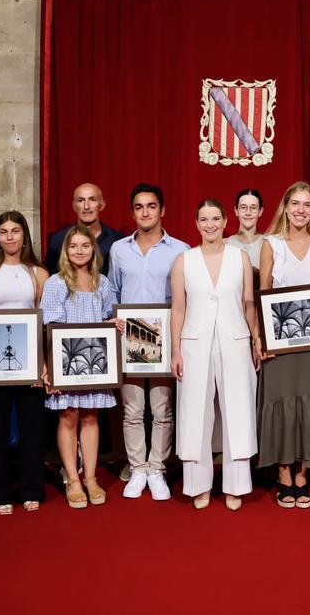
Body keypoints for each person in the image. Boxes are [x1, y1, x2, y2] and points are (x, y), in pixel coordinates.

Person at [170, 199, 261, 510]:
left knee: (238, 409)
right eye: (203, 219)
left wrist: (256, 339)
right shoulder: (184, 261)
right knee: (195, 411)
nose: (209, 225)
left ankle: (237, 485)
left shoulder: (240, 258)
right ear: (196, 224)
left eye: (215, 219)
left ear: (225, 222)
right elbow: (178, 308)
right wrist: (176, 350)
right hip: (194, 344)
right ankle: (198, 484)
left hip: (235, 341)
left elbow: (248, 302)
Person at [257, 181, 310, 509]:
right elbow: (263, 291)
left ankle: (303, 473)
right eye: (295, 203)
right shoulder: (271, 243)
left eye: (307, 204)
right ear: (286, 207)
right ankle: (283, 470)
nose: (301, 210)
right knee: (280, 402)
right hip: (279, 342)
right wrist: (261, 338)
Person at [109, 183, 189, 501]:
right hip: (128, 335)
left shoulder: (180, 250)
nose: (145, 212)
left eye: (151, 206)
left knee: (161, 408)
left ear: (162, 210)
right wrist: (112, 319)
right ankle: (137, 468)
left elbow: (184, 297)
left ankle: (156, 468)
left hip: (164, 335)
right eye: (139, 207)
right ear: (132, 212)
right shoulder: (118, 250)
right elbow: (113, 291)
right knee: (132, 409)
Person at [0, 211, 50, 515]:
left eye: (15, 231)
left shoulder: (38, 273)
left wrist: (44, 363)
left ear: (24, 235)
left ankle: (31, 488)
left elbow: (43, 322)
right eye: (4, 232)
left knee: (32, 428)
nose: (9, 237)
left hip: (30, 360)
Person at [40, 225, 121, 508]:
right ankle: (72, 479)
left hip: (95, 361)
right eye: (73, 246)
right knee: (69, 416)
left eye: (85, 246)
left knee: (90, 417)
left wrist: (114, 324)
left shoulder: (103, 283)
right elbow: (50, 327)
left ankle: (90, 477)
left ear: (93, 250)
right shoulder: (57, 282)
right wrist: (49, 366)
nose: (79, 251)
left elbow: (108, 317)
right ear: (66, 250)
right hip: (66, 361)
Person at [44, 182, 126, 276]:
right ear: (74, 206)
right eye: (81, 200)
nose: (86, 206)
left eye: (92, 200)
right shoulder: (59, 240)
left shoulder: (117, 240)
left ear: (102, 205)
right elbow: (50, 275)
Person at [226, 188, 265, 267]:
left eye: (253, 208)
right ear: (236, 211)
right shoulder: (225, 244)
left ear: (260, 211)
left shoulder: (269, 244)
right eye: (243, 207)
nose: (248, 213)